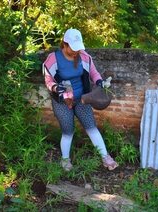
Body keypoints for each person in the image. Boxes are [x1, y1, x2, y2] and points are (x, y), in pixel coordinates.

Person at [43, 28, 118, 171]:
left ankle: (105, 157)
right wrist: (55, 88)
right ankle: (65, 160)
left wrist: (99, 82)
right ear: (64, 44)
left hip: (82, 98)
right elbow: (48, 79)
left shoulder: (84, 57)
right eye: (73, 48)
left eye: (78, 48)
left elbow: (94, 73)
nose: (76, 52)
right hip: (62, 101)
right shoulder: (54, 58)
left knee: (91, 126)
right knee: (68, 131)